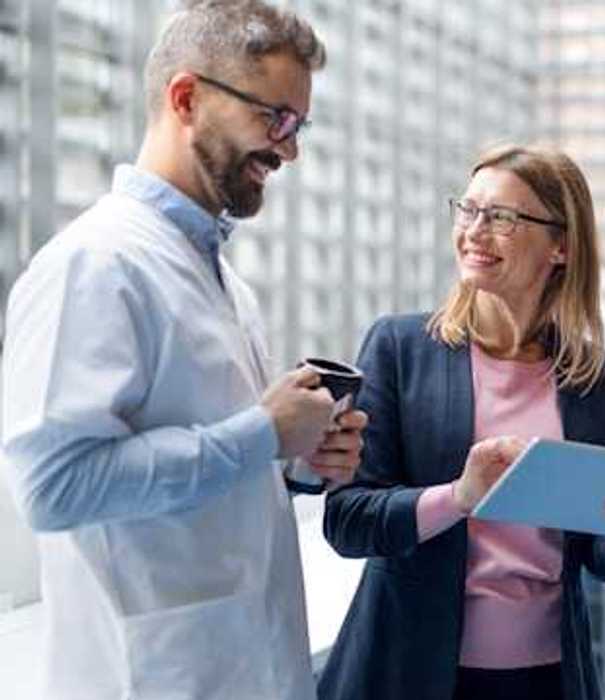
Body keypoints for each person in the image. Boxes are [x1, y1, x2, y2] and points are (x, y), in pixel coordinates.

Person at [0, 2, 366, 698]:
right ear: (187, 98)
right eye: (275, 119)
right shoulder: (93, 265)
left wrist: (298, 462)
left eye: (299, 127)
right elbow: (51, 489)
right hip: (148, 678)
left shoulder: (223, 278)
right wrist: (261, 434)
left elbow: (210, 472)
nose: (288, 150)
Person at [316, 144, 605, 700]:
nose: (475, 231)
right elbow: (348, 522)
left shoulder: (599, 380)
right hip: (407, 671)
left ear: (560, 246)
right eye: (469, 210)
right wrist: (459, 496)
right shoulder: (399, 347)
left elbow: (598, 554)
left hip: (546, 681)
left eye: (502, 218)